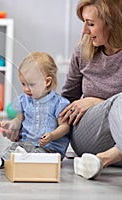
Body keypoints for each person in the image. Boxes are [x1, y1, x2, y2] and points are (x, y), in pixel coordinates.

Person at [59, 0, 122, 180]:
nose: (84, 31)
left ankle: (103, 159)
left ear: (112, 23)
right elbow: (67, 101)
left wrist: (96, 100)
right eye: (84, 22)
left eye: (91, 24)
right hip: (89, 133)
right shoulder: (82, 50)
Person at [0, 52, 70, 166]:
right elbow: (18, 120)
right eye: (23, 84)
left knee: (38, 156)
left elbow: (65, 127)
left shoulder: (58, 103)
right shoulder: (24, 100)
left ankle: (22, 160)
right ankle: (1, 162)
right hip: (26, 143)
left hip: (49, 148)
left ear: (47, 82)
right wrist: (10, 124)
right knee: (12, 149)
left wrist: (52, 135)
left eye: (31, 84)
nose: (26, 89)